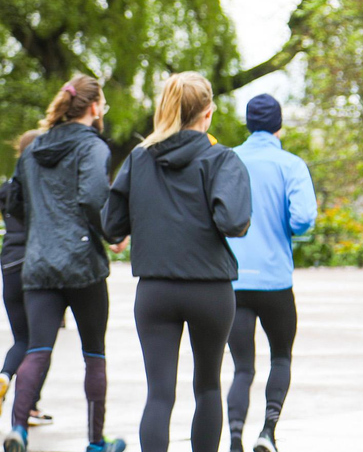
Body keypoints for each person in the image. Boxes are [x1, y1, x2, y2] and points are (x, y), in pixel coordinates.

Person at [101, 72, 252, 452]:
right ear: (208, 113)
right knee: (207, 386)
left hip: (155, 290)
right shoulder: (221, 159)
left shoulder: (138, 159)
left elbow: (111, 225)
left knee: (159, 395)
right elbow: (234, 223)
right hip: (210, 289)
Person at [3, 76, 127, 452]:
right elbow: (92, 197)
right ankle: (95, 442)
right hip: (82, 264)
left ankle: (18, 429)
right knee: (95, 355)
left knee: (37, 348)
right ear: (93, 107)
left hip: (38, 264)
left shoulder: (32, 149)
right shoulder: (93, 147)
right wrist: (112, 234)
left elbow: (15, 204)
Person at [225, 94, 317, 452]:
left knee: (242, 368)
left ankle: (234, 438)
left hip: (233, 281)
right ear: (279, 126)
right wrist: (289, 229)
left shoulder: (227, 159)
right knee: (280, 356)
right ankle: (267, 431)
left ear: (247, 124)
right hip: (275, 281)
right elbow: (303, 218)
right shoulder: (291, 165)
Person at [0, 129, 54, 427]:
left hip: (8, 266)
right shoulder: (42, 188)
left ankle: (4, 376)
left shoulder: (8, 187)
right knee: (39, 343)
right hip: (34, 266)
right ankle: (30, 407)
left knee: (21, 337)